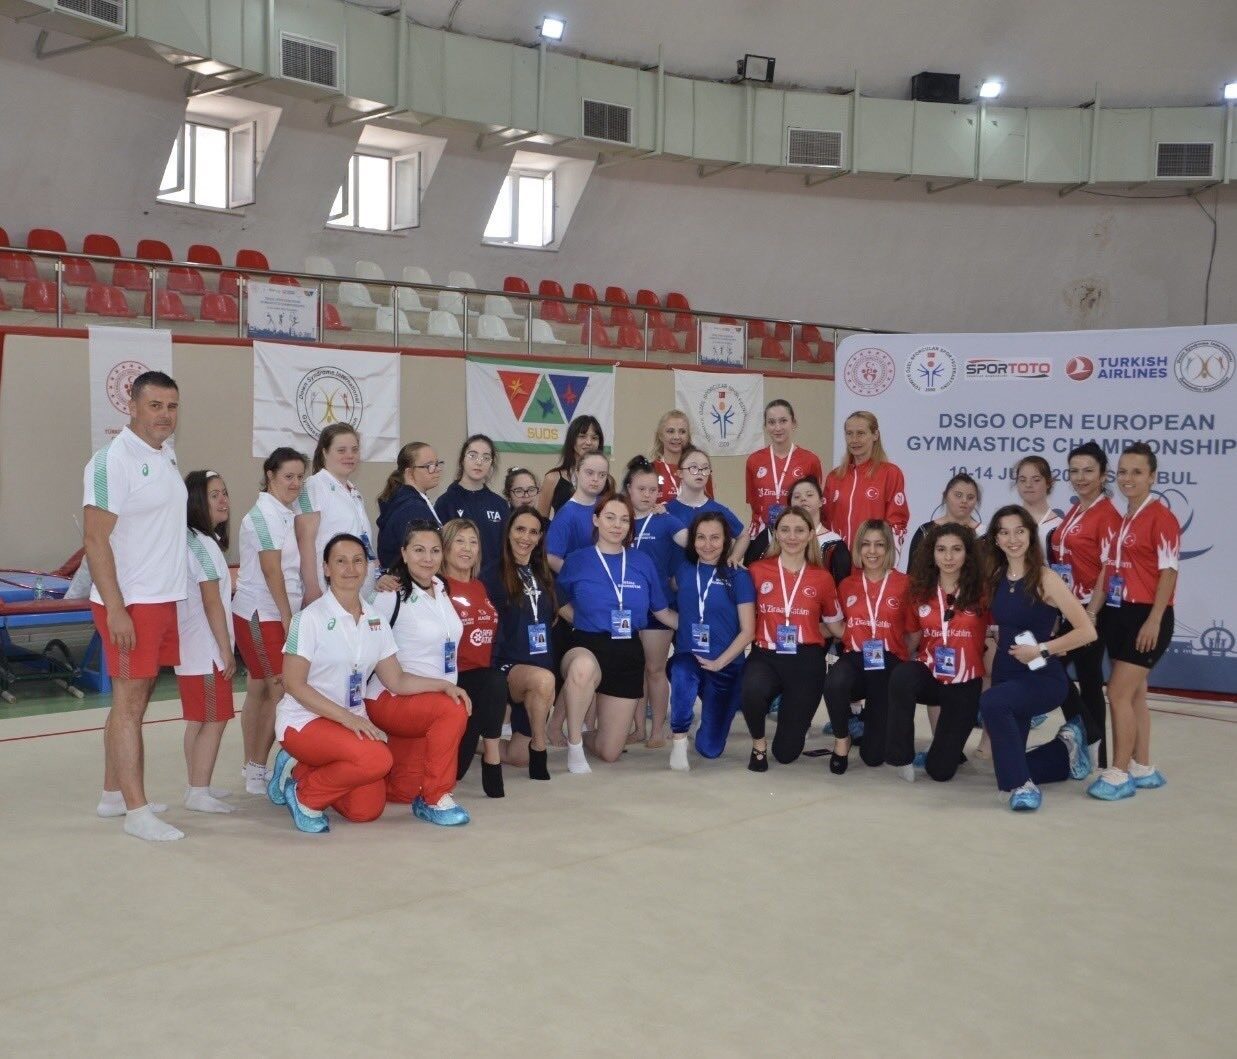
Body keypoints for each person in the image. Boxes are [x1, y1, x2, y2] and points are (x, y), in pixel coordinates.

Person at [269, 534, 462, 832]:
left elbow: (396, 680)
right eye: (341, 561)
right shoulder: (308, 619)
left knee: (366, 810)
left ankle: (303, 772)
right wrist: (346, 718)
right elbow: (294, 684)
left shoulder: (375, 620)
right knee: (376, 760)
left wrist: (443, 686)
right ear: (326, 568)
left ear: (368, 567)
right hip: (307, 720)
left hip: (350, 724)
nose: (350, 568)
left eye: (358, 560)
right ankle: (304, 795)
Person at [84, 370, 188, 841]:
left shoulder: (164, 454)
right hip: (131, 603)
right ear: (132, 405)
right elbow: (94, 539)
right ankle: (136, 811)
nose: (165, 415)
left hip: (161, 598)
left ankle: (112, 795)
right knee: (128, 705)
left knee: (136, 700)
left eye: (171, 407)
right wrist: (117, 607)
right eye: (155, 406)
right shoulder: (110, 462)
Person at [978, 506, 1099, 810]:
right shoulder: (996, 575)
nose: (1012, 538)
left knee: (992, 703)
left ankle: (1024, 787)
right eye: (1004, 532)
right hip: (1007, 673)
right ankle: (1064, 752)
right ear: (995, 539)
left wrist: (1043, 648)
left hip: (1041, 677)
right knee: (1004, 769)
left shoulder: (1046, 578)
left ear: (1031, 535)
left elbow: (1087, 631)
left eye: (1019, 530)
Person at [556, 495, 678, 772]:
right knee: (583, 669)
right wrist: (585, 621)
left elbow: (662, 612)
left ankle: (587, 736)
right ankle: (575, 746)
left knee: (610, 752)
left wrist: (699, 630)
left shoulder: (642, 562)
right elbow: (557, 601)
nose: (617, 525)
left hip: (627, 651)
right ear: (596, 520)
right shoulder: (577, 560)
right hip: (586, 644)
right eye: (610, 517)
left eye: (624, 519)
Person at [362, 522, 474, 824]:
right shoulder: (390, 594)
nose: (428, 558)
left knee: (402, 790)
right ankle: (435, 797)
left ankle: (307, 770)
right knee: (454, 709)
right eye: (419, 550)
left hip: (426, 702)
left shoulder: (440, 587)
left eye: (435, 550)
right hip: (393, 697)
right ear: (404, 553)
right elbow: (362, 639)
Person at [1086, 443, 1179, 801]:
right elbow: (1107, 571)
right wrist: (1092, 614)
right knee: (1136, 693)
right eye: (1123, 471)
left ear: (1153, 477)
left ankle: (1119, 773)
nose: (1128, 478)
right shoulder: (1121, 519)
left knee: (1118, 693)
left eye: (1137, 472)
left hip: (1146, 616)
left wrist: (1154, 620)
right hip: (1116, 612)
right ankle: (1143, 765)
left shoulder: (1162, 518)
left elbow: (1169, 572)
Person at [740, 507, 844, 770]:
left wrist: (868, 641)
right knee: (751, 689)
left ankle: (793, 713)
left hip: (806, 660)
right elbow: (743, 617)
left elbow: (834, 626)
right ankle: (758, 745)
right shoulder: (756, 570)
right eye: (785, 530)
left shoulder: (822, 578)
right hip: (766, 655)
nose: (792, 536)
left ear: (811, 535)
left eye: (799, 530)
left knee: (786, 754)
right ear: (776, 533)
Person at [886, 524, 989, 783]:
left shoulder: (984, 592)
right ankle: (902, 755)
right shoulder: (920, 591)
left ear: (968, 553)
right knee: (902, 676)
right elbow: (912, 637)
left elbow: (997, 634)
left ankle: (941, 752)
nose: (949, 557)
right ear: (932, 554)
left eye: (956, 549)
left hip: (964, 682)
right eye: (941, 550)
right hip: (930, 672)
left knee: (940, 772)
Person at [233, 447, 306, 794]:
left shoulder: (290, 513)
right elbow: (271, 568)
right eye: (288, 476)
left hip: (282, 610)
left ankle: (252, 764)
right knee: (278, 689)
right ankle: (258, 768)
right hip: (262, 613)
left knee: (261, 688)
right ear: (270, 475)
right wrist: (288, 617)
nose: (295, 483)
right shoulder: (261, 516)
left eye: (299, 476)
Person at [1050, 441, 1122, 766]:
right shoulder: (1077, 509)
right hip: (1070, 605)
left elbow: (1109, 567)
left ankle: (1092, 743)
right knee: (1073, 674)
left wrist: (1092, 611)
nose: (1080, 477)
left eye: (1088, 471)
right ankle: (1091, 742)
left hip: (1092, 608)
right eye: (1074, 471)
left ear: (1103, 474)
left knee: (1085, 676)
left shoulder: (1107, 514)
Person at [667, 512, 755, 770]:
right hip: (690, 658)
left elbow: (748, 631)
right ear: (692, 540)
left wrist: (718, 664)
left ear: (727, 539)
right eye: (701, 537)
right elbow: (672, 604)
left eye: (715, 538)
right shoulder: (683, 570)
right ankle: (679, 741)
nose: (707, 544)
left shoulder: (737, 576)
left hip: (725, 667)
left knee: (710, 749)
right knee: (682, 669)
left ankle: (704, 724)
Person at [482, 505, 564, 780]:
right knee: (543, 680)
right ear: (507, 533)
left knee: (518, 757)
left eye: (533, 532)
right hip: (506, 666)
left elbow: (554, 617)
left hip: (538, 666)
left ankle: (472, 744)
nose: (525, 537)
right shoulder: (491, 575)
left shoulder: (544, 575)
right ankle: (540, 748)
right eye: (519, 529)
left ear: (540, 537)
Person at [823, 520, 911, 774]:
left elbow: (913, 633)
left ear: (889, 549)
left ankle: (874, 726)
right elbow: (837, 624)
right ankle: (842, 739)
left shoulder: (905, 584)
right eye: (866, 545)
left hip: (890, 662)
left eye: (879, 545)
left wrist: (901, 658)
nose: (872, 551)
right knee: (834, 683)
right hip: (857, 657)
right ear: (858, 549)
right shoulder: (848, 584)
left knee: (873, 757)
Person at [174, 470, 237, 815]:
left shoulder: (194, 539)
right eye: (214, 495)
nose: (223, 499)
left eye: (224, 492)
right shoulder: (202, 544)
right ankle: (198, 790)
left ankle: (197, 784)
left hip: (193, 647)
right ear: (197, 501)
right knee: (214, 718)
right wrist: (226, 649)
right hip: (205, 649)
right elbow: (212, 602)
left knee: (198, 720)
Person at [623, 456, 689, 747]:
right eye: (642, 489)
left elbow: (697, 543)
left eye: (653, 489)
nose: (648, 495)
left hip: (658, 607)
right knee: (634, 668)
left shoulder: (665, 520)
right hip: (624, 607)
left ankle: (657, 729)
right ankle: (638, 727)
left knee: (655, 668)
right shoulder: (618, 518)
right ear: (629, 489)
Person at [440, 518, 508, 798]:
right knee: (454, 771)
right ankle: (489, 756)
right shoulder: (437, 586)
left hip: (480, 681)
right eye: (459, 541)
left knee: (494, 680)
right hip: (452, 680)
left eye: (473, 542)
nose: (467, 548)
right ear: (445, 547)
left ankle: (491, 752)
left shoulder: (480, 586)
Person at [296, 424, 378, 605]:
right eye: (341, 450)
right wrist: (311, 589)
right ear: (325, 452)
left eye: (354, 450)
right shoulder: (313, 486)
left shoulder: (354, 491)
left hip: (359, 592)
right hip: (327, 592)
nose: (350, 455)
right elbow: (305, 541)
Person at [824, 410, 909, 551]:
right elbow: (825, 522)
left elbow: (897, 522)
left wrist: (886, 561)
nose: (854, 439)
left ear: (875, 435)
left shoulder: (890, 473)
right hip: (837, 563)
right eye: (849, 433)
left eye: (861, 433)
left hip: (872, 561)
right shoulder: (834, 477)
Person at [744, 475, 851, 584]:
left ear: (821, 501)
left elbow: (841, 586)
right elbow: (749, 573)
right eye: (796, 497)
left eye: (809, 495)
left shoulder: (834, 543)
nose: (803, 499)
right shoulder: (770, 535)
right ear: (790, 505)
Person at [745, 399, 824, 542]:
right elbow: (754, 503)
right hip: (762, 534)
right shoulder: (754, 460)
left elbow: (815, 504)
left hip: (797, 536)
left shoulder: (810, 460)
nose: (777, 427)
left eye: (783, 421)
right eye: (771, 422)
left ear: (793, 423)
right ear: (765, 426)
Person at [666, 445, 748, 566]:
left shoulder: (718, 510)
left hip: (709, 580)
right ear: (680, 473)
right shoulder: (667, 510)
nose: (699, 472)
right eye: (693, 467)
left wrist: (734, 558)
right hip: (676, 581)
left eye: (705, 468)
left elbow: (743, 536)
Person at [435, 434, 509, 568]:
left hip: (494, 582)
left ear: (491, 463)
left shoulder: (500, 505)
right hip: (457, 580)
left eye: (486, 458)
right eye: (472, 455)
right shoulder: (446, 502)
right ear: (462, 460)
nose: (479, 462)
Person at [375, 441, 444, 569]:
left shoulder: (407, 501)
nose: (437, 469)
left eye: (437, 464)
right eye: (429, 465)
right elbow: (422, 560)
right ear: (409, 473)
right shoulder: (412, 510)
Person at [545, 451, 611, 572]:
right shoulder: (566, 514)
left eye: (602, 475)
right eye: (589, 473)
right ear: (577, 473)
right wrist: (578, 577)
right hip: (582, 586)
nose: (595, 479)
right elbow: (552, 557)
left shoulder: (608, 506)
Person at [906, 473, 984, 569]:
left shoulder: (985, 535)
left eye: (970, 497)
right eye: (958, 495)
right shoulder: (926, 531)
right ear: (945, 495)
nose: (964, 500)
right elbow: (913, 574)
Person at [536, 415, 604, 517]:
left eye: (594, 438)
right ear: (572, 440)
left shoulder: (607, 480)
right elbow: (541, 521)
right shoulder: (552, 479)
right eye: (582, 436)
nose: (589, 442)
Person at [650, 409, 712, 503]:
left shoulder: (700, 470)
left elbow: (710, 508)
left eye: (682, 432)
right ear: (661, 436)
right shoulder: (650, 469)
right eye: (670, 431)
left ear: (688, 437)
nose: (676, 437)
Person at [1012, 455, 1063, 553]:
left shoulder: (1059, 526)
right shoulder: (1007, 522)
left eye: (1036, 480)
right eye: (1022, 480)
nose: (1028, 485)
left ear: (1048, 483)